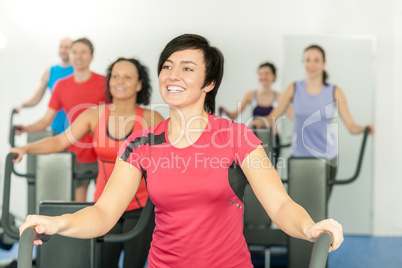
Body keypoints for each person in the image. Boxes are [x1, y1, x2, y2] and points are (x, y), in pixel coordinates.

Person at [19, 34, 343, 268]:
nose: (173, 75)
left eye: (187, 68)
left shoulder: (236, 137)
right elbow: (104, 213)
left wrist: (309, 228)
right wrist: (58, 223)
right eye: (168, 66)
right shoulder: (141, 144)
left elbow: (280, 205)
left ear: (209, 83)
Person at [11, 57, 164, 267]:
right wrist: (25, 149)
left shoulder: (152, 118)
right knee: (103, 263)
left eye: (127, 77)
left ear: (139, 84)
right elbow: (60, 141)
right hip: (103, 205)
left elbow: (171, 160)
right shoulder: (94, 115)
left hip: (141, 206)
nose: (120, 81)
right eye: (115, 76)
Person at [250, 44, 375, 198]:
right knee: (298, 210)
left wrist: (363, 129)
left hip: (327, 158)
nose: (311, 64)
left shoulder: (335, 91)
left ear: (324, 63)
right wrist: (258, 123)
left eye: (316, 60)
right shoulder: (293, 88)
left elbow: (351, 126)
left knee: (319, 209)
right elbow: (272, 118)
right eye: (308, 60)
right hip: (299, 158)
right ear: (303, 63)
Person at [15, 37, 106, 202]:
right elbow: (46, 120)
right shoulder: (61, 85)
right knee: (80, 207)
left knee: (107, 204)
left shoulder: (105, 83)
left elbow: (121, 117)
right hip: (77, 154)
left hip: (105, 153)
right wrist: (26, 129)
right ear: (69, 56)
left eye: (83, 52)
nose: (79, 56)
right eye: (75, 52)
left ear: (91, 56)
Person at [219, 62, 292, 166]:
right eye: (261, 73)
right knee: (254, 167)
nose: (263, 76)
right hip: (254, 138)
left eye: (266, 73)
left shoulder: (280, 97)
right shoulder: (250, 95)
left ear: (273, 76)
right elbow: (234, 115)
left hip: (272, 138)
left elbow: (293, 116)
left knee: (271, 168)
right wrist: (226, 112)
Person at [14, 37, 73, 134]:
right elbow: (37, 97)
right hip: (55, 126)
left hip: (75, 127)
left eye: (67, 47)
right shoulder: (50, 71)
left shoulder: (79, 72)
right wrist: (22, 105)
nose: (63, 50)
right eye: (61, 47)